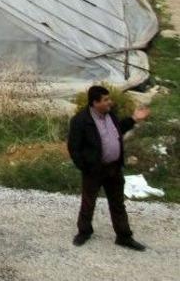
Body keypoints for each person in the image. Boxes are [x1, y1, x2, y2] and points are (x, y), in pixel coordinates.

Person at [67, 84, 151, 250]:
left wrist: (134, 119)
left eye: (109, 99)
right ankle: (84, 232)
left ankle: (124, 236)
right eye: (105, 100)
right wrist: (85, 167)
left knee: (118, 203)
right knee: (88, 202)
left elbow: (118, 129)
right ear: (94, 102)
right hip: (94, 170)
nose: (109, 102)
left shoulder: (110, 114)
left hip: (114, 169)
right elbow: (74, 148)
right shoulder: (80, 121)